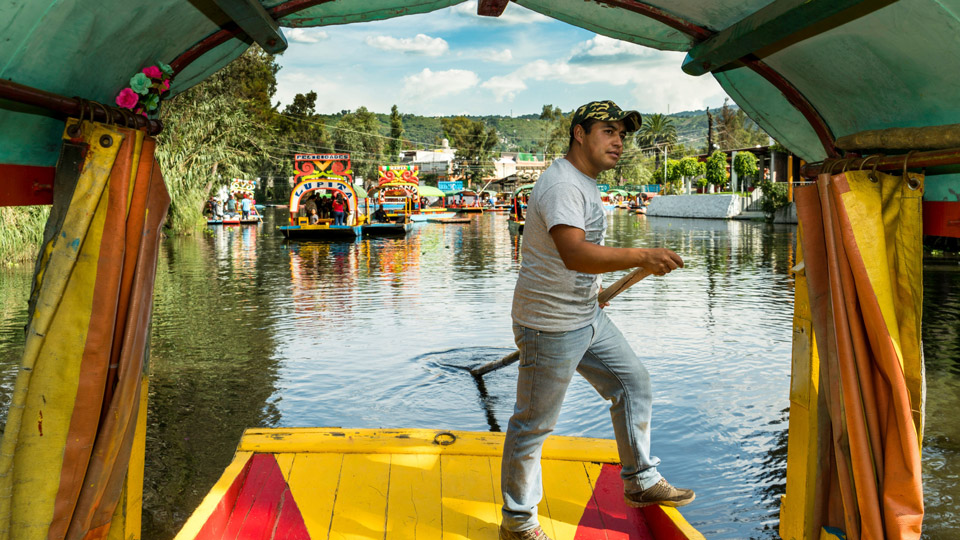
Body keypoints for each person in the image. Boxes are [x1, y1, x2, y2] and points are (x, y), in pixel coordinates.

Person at [499, 101, 691, 540]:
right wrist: (643, 255)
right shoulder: (563, 185)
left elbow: (575, 262)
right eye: (609, 131)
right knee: (534, 425)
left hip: (585, 314)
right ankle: (518, 523)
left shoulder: (582, 182)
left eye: (623, 133)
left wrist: (591, 295)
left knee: (633, 383)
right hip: (548, 324)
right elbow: (575, 253)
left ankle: (640, 480)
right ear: (579, 134)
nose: (619, 141)